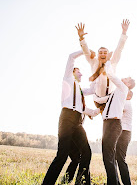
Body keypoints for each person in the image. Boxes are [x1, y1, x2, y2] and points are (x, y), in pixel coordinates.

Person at [42, 50, 100, 185]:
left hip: (78, 122)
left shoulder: (80, 90)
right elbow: (71, 57)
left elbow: (92, 90)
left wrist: (97, 74)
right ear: (72, 72)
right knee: (62, 155)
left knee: (86, 152)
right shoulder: (67, 79)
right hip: (67, 118)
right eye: (79, 71)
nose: (81, 74)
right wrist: (85, 51)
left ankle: (81, 182)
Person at [76, 20, 130, 108]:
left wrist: (124, 32)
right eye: (100, 52)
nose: (103, 54)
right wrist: (82, 38)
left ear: (108, 54)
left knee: (112, 118)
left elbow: (119, 48)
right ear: (97, 55)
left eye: (105, 52)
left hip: (110, 99)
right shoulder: (94, 62)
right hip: (97, 100)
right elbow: (86, 51)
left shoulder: (112, 62)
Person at [101, 52, 135, 184]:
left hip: (115, 125)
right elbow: (103, 99)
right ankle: (114, 182)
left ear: (128, 84)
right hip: (110, 124)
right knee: (110, 157)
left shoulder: (123, 89)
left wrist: (108, 61)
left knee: (112, 157)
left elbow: (110, 75)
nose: (123, 78)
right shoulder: (117, 92)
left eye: (126, 78)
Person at [116, 91, 133, 185]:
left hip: (124, 133)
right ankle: (117, 182)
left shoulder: (126, 103)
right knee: (116, 158)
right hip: (123, 133)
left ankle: (127, 183)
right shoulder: (126, 103)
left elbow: (116, 109)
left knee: (120, 159)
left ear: (129, 97)